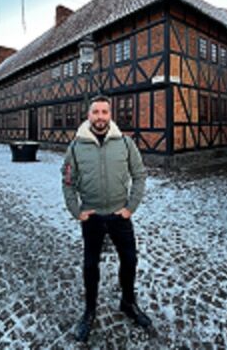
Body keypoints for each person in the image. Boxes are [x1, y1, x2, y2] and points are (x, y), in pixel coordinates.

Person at [61, 95, 152, 343]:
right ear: (88, 115)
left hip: (119, 215)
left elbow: (140, 175)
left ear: (110, 115)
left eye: (104, 112)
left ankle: (128, 303)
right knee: (91, 266)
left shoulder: (125, 143)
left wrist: (130, 207)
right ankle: (89, 311)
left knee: (130, 261)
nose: (100, 117)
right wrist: (76, 211)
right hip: (91, 217)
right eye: (96, 112)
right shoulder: (76, 147)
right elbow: (68, 182)